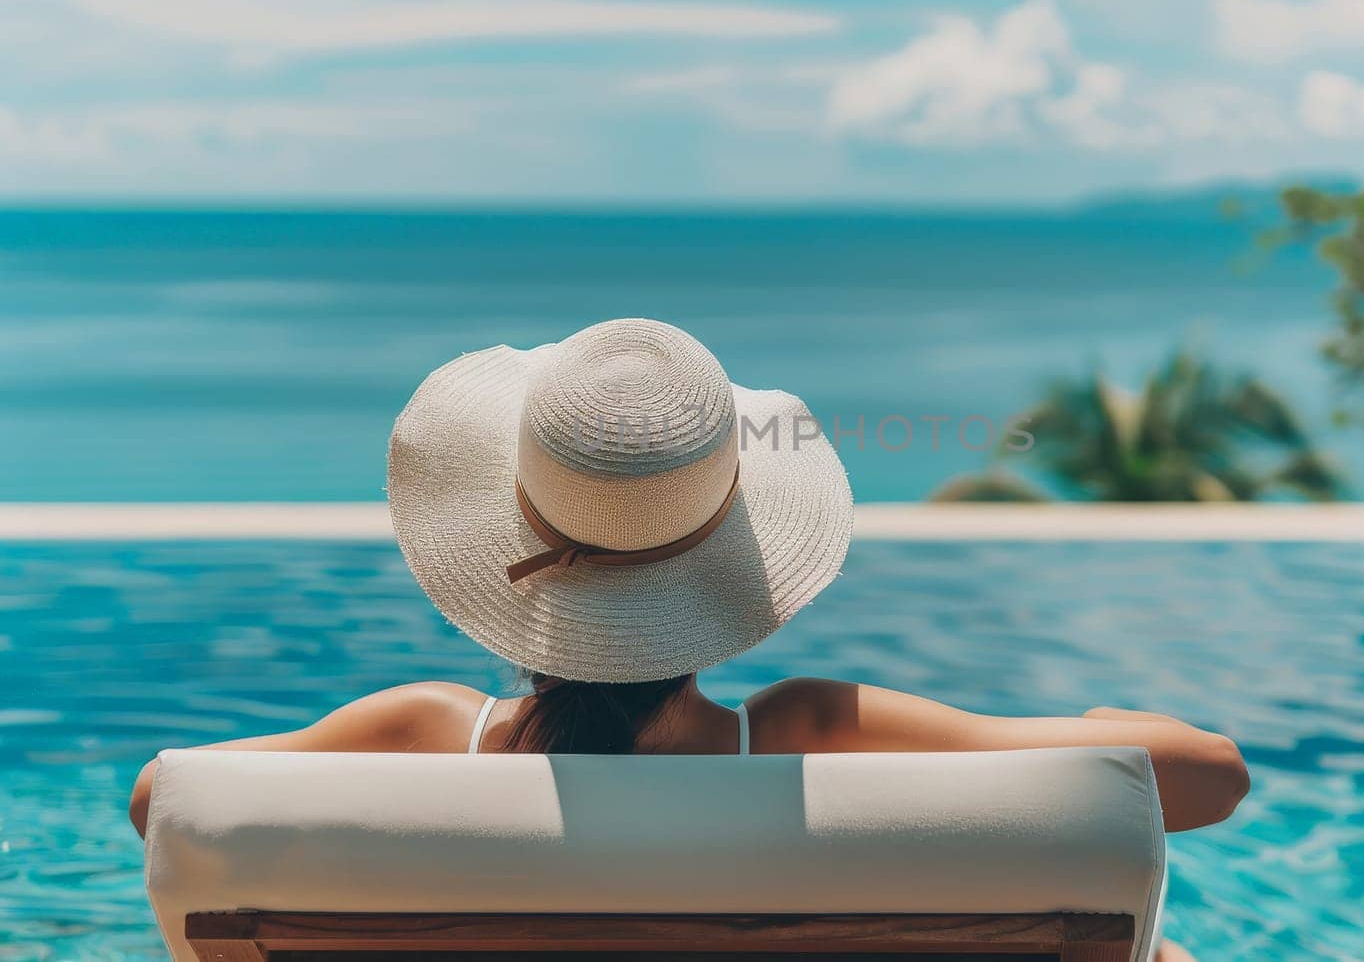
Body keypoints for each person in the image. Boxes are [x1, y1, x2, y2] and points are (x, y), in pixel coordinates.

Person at [131, 318, 1241, 962]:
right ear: (730, 560)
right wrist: (1098, 728)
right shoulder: (816, 730)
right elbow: (1201, 777)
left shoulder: (414, 731)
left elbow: (164, 802)